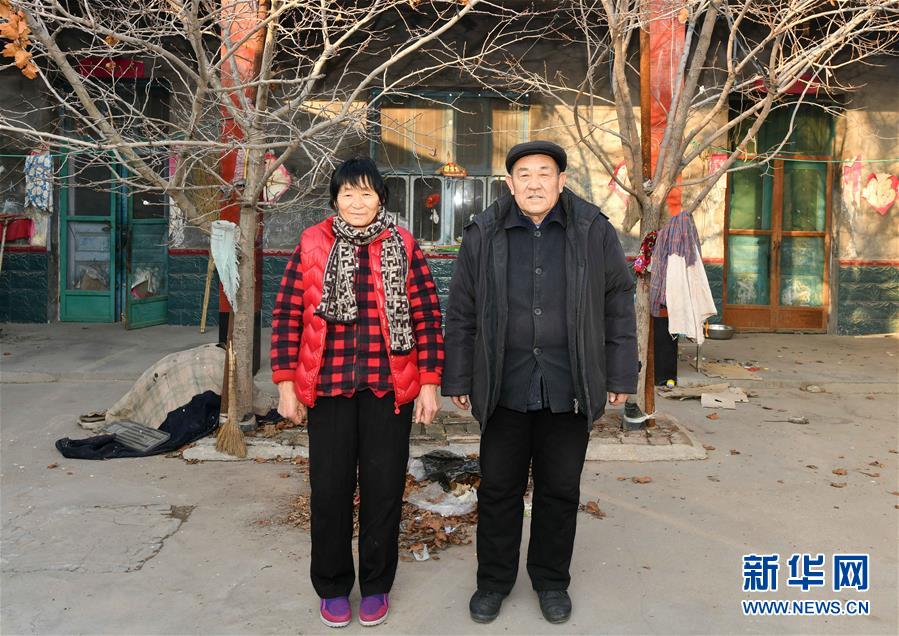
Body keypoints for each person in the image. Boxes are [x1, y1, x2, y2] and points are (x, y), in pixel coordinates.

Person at [442, 141, 638, 625]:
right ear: (510, 184)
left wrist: (619, 373)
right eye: (524, 174)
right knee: (498, 489)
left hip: (568, 384)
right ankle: (493, 582)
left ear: (561, 180)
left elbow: (617, 302)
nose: (534, 183)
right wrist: (459, 375)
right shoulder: (484, 231)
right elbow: (462, 308)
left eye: (544, 173)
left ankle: (551, 581)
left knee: (560, 490)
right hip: (503, 384)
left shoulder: (592, 229)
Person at [271, 157, 444, 628]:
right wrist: (286, 384)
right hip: (328, 390)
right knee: (329, 492)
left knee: (383, 491)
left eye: (367, 193)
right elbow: (287, 315)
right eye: (348, 193)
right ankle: (332, 586)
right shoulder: (312, 243)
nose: (357, 202)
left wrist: (429, 383)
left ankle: (376, 585)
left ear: (381, 199)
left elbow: (427, 317)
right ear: (335, 199)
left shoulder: (403, 244)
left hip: (388, 390)